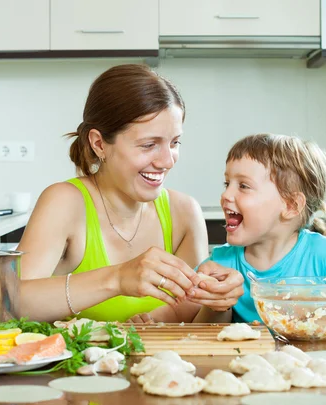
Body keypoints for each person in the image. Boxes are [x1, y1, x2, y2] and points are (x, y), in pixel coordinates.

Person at [14, 64, 244, 323]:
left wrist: (217, 302)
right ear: (99, 143)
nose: (167, 161)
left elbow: (193, 322)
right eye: (149, 145)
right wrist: (118, 278)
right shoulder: (65, 202)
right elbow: (11, 303)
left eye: (174, 142)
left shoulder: (184, 213)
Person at [185, 134, 326, 331]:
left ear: (291, 205)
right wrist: (217, 304)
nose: (225, 194)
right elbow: (199, 332)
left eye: (243, 186)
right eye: (227, 183)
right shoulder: (220, 264)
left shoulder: (325, 255)